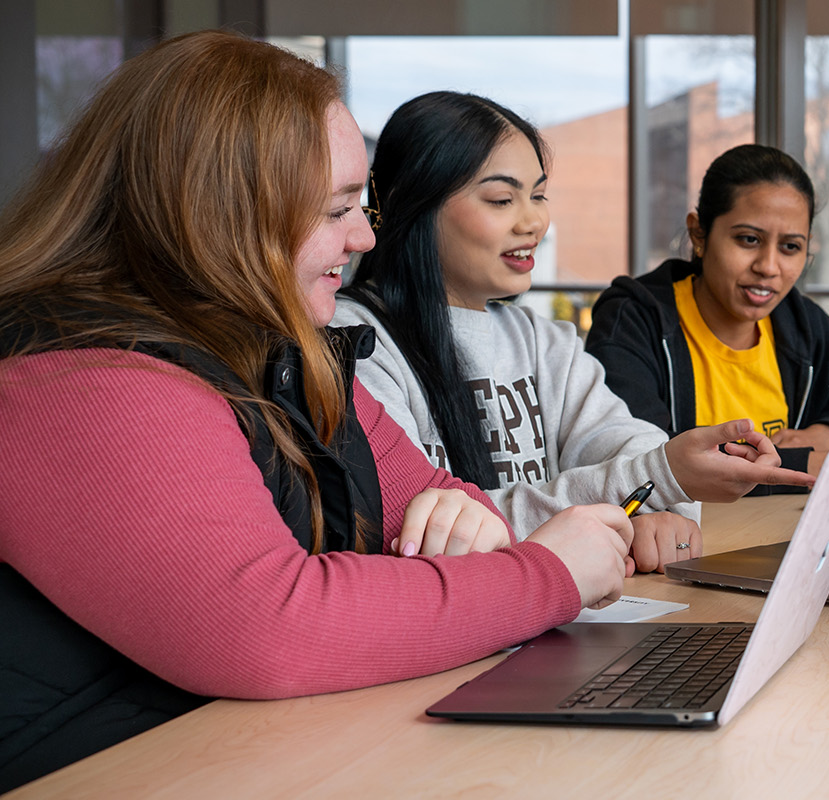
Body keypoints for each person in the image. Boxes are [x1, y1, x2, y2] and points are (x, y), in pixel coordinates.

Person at [0, 32, 636, 790]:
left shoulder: (287, 351)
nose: (364, 236)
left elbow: (447, 503)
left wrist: (475, 540)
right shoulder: (77, 377)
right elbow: (268, 629)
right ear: (220, 213)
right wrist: (545, 575)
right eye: (337, 210)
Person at [334, 94, 810, 569]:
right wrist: (657, 480)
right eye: (502, 199)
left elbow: (629, 442)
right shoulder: (353, 342)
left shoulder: (542, 342)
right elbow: (431, 530)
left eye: (539, 196)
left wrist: (661, 509)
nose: (534, 221)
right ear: (412, 204)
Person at [584, 144, 829, 492]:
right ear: (698, 234)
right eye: (749, 239)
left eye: (790, 247)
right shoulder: (632, 319)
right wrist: (821, 465)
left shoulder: (796, 320)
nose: (768, 267)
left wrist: (827, 433)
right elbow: (639, 457)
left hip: (780, 523)